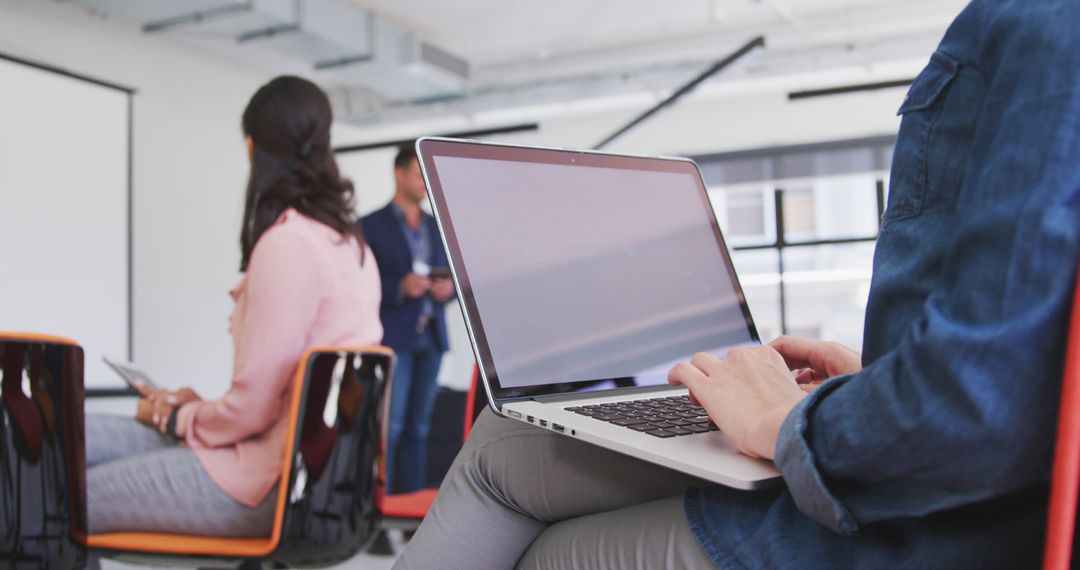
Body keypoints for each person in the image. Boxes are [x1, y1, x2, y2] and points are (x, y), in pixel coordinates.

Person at [395, 1, 1080, 568]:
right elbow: (1020, 374)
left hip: (922, 533)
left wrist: (785, 421)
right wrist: (878, 380)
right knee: (504, 443)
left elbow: (977, 405)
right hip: (953, 500)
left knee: (543, 543)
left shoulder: (1051, 25)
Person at [84, 76, 382, 538]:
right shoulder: (351, 247)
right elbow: (273, 400)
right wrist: (197, 410)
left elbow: (253, 411)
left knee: (63, 499)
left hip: (261, 483)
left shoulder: (288, 244)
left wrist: (178, 416)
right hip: (304, 475)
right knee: (80, 441)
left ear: (252, 147)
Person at [361, 144, 455, 494]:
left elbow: (455, 278)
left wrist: (450, 291)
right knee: (391, 427)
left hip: (431, 337)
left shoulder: (437, 227)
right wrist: (399, 287)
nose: (424, 185)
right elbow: (360, 285)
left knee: (419, 428)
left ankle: (411, 514)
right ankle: (380, 514)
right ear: (398, 174)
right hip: (394, 337)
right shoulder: (370, 226)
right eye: (418, 176)